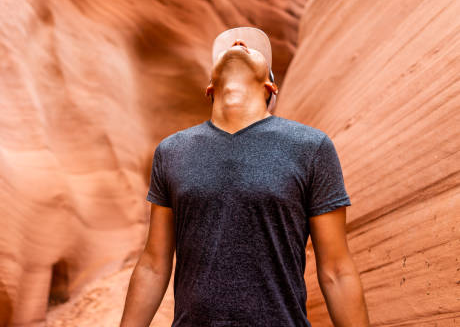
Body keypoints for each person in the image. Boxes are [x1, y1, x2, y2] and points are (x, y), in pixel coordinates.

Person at [119, 27, 370, 327]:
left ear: (270, 88)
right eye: (227, 49)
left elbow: (337, 271)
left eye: (252, 47)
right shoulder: (172, 152)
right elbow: (153, 266)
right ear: (210, 87)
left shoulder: (311, 148)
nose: (238, 42)